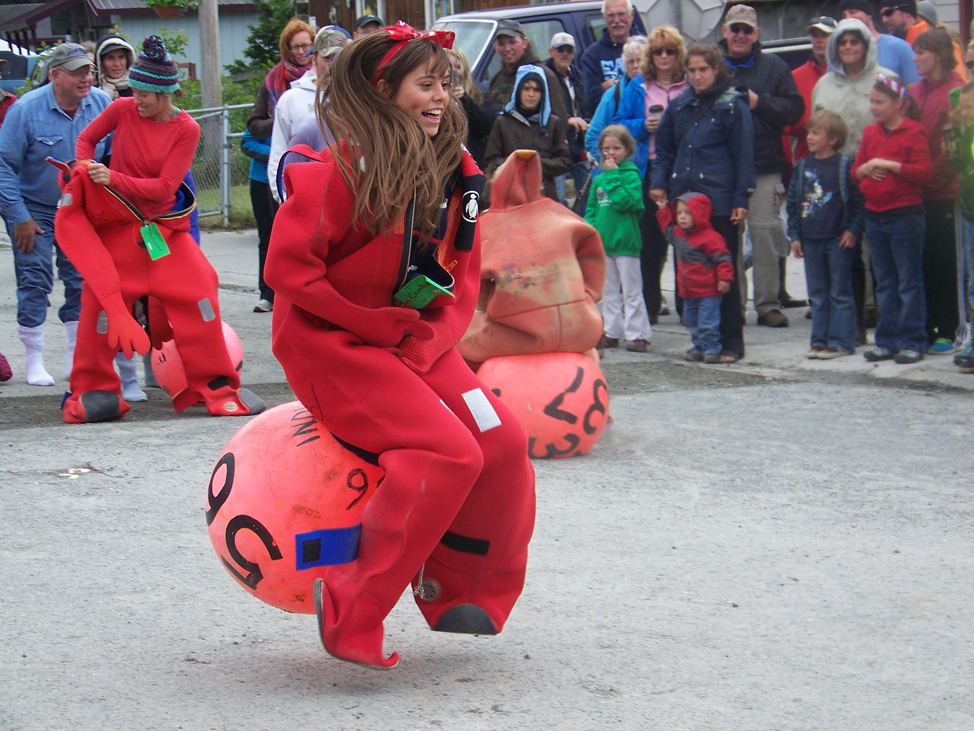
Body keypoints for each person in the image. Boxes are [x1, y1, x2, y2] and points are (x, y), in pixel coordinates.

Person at [264, 23, 535, 669]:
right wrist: (372, 326)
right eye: (426, 84)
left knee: (499, 440)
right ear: (384, 89)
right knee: (444, 452)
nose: (441, 97)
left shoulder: (459, 174)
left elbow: (461, 276)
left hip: (414, 340)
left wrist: (431, 339)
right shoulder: (331, 169)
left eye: (447, 83)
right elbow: (288, 273)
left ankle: (457, 587)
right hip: (332, 343)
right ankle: (352, 601)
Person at [62, 35, 265, 422]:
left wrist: (112, 178)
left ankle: (217, 383)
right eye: (134, 91)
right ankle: (93, 388)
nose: (136, 99)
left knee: (200, 288)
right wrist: (83, 169)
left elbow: (164, 189)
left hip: (162, 232)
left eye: (144, 94)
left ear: (165, 93)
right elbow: (86, 140)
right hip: (119, 228)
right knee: (100, 301)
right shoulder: (121, 109)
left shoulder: (186, 129)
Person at [0, 43, 111, 386]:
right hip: (33, 206)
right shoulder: (26, 110)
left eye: (89, 71)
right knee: (35, 278)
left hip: (80, 207)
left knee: (80, 279)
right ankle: (33, 359)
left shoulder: (102, 104)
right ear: (55, 75)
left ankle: (74, 357)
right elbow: (3, 166)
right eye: (77, 72)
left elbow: (112, 156)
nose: (85, 78)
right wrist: (19, 216)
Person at [651, 43, 754, 362]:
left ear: (716, 70)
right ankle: (703, 342)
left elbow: (743, 154)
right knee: (691, 269)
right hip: (685, 200)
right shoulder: (679, 105)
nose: (697, 76)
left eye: (703, 70)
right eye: (692, 70)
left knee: (724, 272)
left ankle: (731, 344)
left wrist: (741, 197)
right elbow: (664, 149)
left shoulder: (734, 105)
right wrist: (658, 183)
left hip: (720, 200)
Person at [719, 4, 805, 327]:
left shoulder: (775, 66)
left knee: (766, 235)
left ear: (756, 34)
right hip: (724, 168)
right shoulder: (710, 65)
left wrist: (760, 102)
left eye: (747, 30)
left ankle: (768, 304)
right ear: (724, 31)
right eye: (735, 28)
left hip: (765, 165)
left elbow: (795, 110)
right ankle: (734, 306)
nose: (740, 35)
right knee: (730, 239)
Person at [812, 18, 894, 345]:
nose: (848, 47)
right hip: (838, 177)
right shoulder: (825, 85)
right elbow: (816, 129)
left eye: (854, 41)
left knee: (880, 250)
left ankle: (887, 320)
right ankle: (856, 321)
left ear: (866, 45)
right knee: (848, 250)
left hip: (879, 174)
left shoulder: (885, 80)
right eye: (842, 42)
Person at [854, 75, 933, 363]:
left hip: (905, 215)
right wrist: (865, 170)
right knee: (884, 281)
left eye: (879, 102)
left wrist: (887, 164)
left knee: (908, 282)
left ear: (898, 103)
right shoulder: (871, 132)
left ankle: (912, 340)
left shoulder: (914, 132)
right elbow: (856, 169)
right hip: (875, 215)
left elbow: (924, 172)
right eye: (871, 101)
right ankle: (886, 341)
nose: (873, 107)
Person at [614, 25, 688, 323]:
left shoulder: (689, 84)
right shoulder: (637, 87)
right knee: (648, 242)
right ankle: (650, 307)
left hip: (682, 168)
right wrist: (643, 126)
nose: (664, 57)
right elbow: (619, 125)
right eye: (658, 52)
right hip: (647, 168)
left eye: (670, 51)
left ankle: (688, 306)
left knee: (685, 238)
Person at [246, 18, 315, 313]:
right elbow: (253, 128)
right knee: (271, 238)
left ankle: (301, 296)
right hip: (267, 176)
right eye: (295, 46)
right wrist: (285, 119)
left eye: (306, 45)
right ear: (286, 49)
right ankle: (269, 293)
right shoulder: (274, 83)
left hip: (307, 174)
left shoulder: (324, 84)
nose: (301, 51)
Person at [787, 110, 865, 359]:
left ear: (833, 139)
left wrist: (853, 230)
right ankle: (819, 340)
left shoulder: (845, 166)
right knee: (817, 294)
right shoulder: (801, 167)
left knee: (840, 292)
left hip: (836, 240)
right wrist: (795, 235)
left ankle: (842, 342)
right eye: (809, 131)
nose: (809, 137)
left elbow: (860, 202)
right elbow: (792, 203)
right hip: (810, 240)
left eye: (816, 133)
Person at [910, 28, 966, 354]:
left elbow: (952, 146)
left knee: (946, 263)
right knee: (925, 262)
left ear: (939, 55)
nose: (915, 58)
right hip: (917, 190)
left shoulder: (956, 91)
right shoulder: (915, 90)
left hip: (945, 191)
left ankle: (950, 328)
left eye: (921, 52)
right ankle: (928, 326)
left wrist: (930, 178)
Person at [585, 125, 650, 352]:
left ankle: (638, 334)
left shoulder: (631, 175)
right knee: (610, 292)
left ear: (627, 149)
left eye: (616, 148)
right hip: (604, 243)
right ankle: (612, 331)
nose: (611, 153)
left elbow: (627, 202)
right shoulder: (599, 179)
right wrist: (591, 232)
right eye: (606, 149)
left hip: (626, 243)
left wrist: (613, 175)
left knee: (631, 291)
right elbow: (592, 209)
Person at [268, 27, 348, 204]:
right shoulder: (291, 98)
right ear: (314, 59)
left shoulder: (353, 100)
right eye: (327, 57)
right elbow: (279, 155)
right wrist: (284, 198)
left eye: (338, 57)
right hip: (304, 198)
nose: (332, 64)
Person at [658, 193, 734, 363]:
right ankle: (699, 347)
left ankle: (711, 348)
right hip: (688, 291)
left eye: (688, 213)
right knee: (691, 321)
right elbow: (666, 229)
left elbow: (723, 260)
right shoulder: (678, 234)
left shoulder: (711, 238)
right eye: (679, 213)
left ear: (700, 214)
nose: (682, 217)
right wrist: (663, 210)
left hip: (708, 291)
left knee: (708, 323)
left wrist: (724, 279)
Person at [484, 65, 572, 202]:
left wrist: (534, 164)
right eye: (526, 88)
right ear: (518, 90)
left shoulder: (553, 122)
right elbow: (492, 160)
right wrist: (516, 164)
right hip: (511, 196)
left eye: (537, 90)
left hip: (544, 196)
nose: (531, 94)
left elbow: (564, 161)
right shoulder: (502, 122)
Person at [487, 20, 567, 123]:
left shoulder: (544, 76)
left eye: (512, 42)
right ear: (495, 47)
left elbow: (560, 122)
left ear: (524, 43)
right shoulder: (496, 79)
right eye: (501, 44)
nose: (507, 48)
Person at [946, 81, 974, 370]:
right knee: (972, 282)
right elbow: (963, 165)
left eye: (968, 108)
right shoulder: (965, 129)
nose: (962, 112)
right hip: (969, 209)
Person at [545, 32, 591, 207]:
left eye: (569, 50)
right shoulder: (545, 75)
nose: (565, 54)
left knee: (587, 192)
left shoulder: (577, 75)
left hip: (578, 142)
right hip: (555, 146)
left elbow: (585, 104)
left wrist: (586, 121)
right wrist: (567, 120)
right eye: (560, 49)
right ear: (551, 51)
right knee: (557, 197)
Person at [585, 35, 646, 165]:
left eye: (639, 60)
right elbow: (592, 138)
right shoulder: (613, 95)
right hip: (623, 176)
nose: (635, 66)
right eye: (631, 61)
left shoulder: (658, 91)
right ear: (624, 65)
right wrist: (610, 163)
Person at [784, 16, 836, 163]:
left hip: (841, 159)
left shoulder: (844, 74)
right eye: (814, 36)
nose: (819, 40)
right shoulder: (795, 76)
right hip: (806, 160)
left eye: (824, 35)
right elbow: (787, 125)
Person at [839, 0, 921, 84]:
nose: (848, 18)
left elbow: (916, 92)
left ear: (869, 14)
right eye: (843, 16)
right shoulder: (840, 53)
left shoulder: (900, 47)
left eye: (853, 12)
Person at [880, 0, 967, 78]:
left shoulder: (940, 43)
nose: (884, 20)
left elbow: (958, 87)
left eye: (888, 13)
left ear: (907, 12)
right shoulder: (887, 47)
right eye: (882, 15)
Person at [580, 0, 634, 110]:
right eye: (611, 15)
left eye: (621, 14)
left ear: (631, 15)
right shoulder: (591, 55)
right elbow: (593, 99)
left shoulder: (647, 48)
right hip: (611, 124)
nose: (616, 20)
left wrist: (613, 84)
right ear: (604, 18)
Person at [447, 48, 492, 169]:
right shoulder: (436, 98)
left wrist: (465, 100)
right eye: (448, 66)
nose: (453, 72)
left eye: (457, 67)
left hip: (473, 162)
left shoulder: (477, 95)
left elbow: (486, 126)